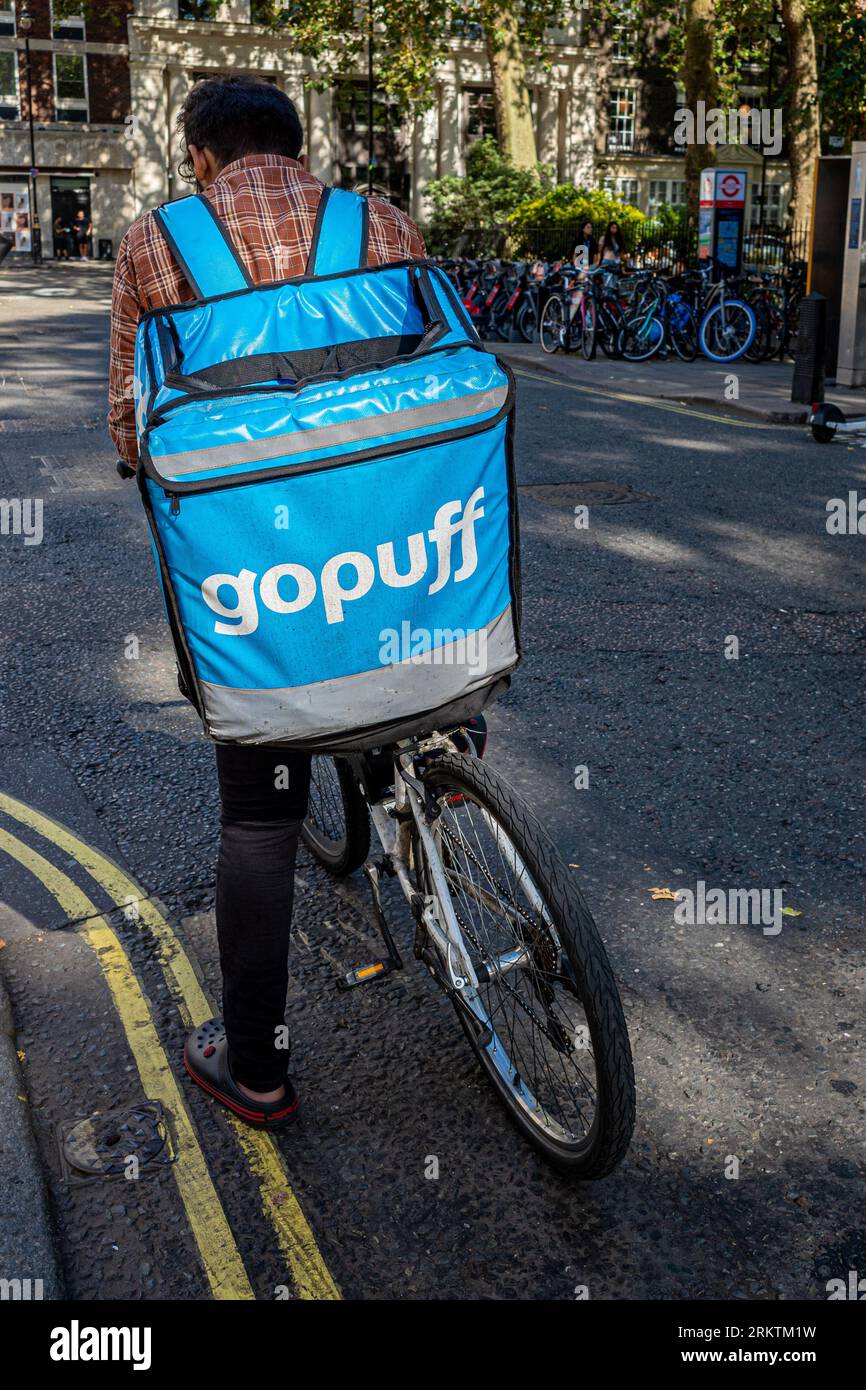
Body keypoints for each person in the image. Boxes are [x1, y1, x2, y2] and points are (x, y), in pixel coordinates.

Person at [108, 75, 427, 1130]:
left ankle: (256, 1070)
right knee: (408, 676)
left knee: (258, 818)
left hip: (262, 576)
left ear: (200, 158)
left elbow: (131, 426)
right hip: (405, 551)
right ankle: (419, 791)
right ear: (301, 148)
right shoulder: (379, 219)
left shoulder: (157, 246)